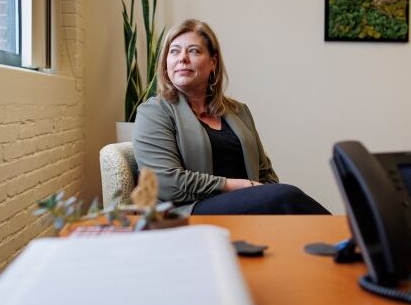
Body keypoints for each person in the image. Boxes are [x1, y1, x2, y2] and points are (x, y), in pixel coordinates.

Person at [132, 18, 330, 216]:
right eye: (174, 51)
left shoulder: (239, 111)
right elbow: (164, 183)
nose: (182, 58)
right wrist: (239, 186)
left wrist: (262, 196)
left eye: (194, 51)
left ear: (213, 63)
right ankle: (354, 238)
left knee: (282, 200)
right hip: (186, 212)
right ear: (166, 62)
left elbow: (266, 175)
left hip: (249, 211)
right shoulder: (153, 112)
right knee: (285, 196)